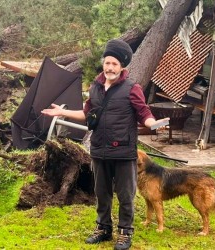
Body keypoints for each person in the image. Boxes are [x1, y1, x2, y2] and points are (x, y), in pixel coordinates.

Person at [41, 39, 169, 250]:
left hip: (123, 152)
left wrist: (153, 123)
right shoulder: (96, 87)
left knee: (126, 195)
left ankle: (125, 233)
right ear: (104, 63)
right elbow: (86, 114)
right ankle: (103, 228)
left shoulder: (132, 88)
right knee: (102, 194)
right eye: (107, 63)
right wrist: (62, 112)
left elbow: (143, 112)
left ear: (122, 67)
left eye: (114, 64)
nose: (110, 67)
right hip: (99, 150)